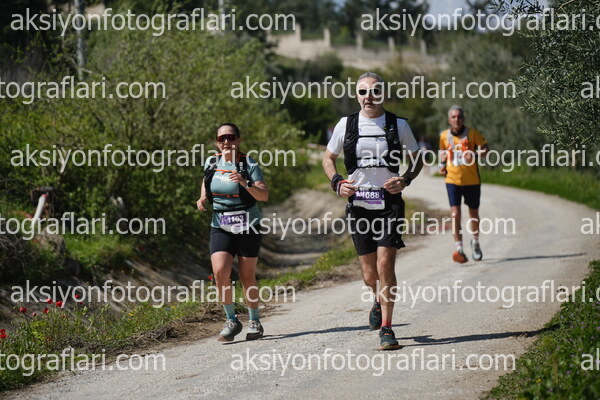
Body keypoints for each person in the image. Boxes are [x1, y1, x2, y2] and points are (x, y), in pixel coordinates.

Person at [322, 72, 423, 350]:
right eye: (363, 91)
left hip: (389, 204)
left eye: (375, 91)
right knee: (369, 274)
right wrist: (337, 182)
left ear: (383, 94)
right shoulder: (346, 124)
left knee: (385, 264)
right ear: (357, 95)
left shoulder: (398, 125)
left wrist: (405, 179)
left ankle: (387, 328)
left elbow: (417, 159)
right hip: (359, 206)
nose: (369, 96)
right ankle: (377, 298)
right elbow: (328, 158)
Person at [197, 123, 269, 342]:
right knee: (220, 272)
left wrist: (245, 182)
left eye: (231, 137)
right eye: (222, 138)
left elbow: (264, 195)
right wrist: (202, 197)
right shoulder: (212, 162)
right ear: (217, 142)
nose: (226, 142)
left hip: (248, 225)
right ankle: (231, 320)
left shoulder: (249, 164)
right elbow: (206, 181)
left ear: (238, 140)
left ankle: (254, 321)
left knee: (247, 276)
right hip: (220, 223)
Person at [439, 105, 490, 264]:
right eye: (454, 117)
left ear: (464, 119)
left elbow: (486, 149)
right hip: (452, 180)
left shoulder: (472, 133)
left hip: (471, 181)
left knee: (473, 213)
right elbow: (443, 153)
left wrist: (474, 153)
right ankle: (459, 249)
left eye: (459, 117)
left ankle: (475, 242)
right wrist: (442, 165)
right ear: (449, 120)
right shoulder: (444, 136)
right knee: (455, 214)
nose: (457, 120)